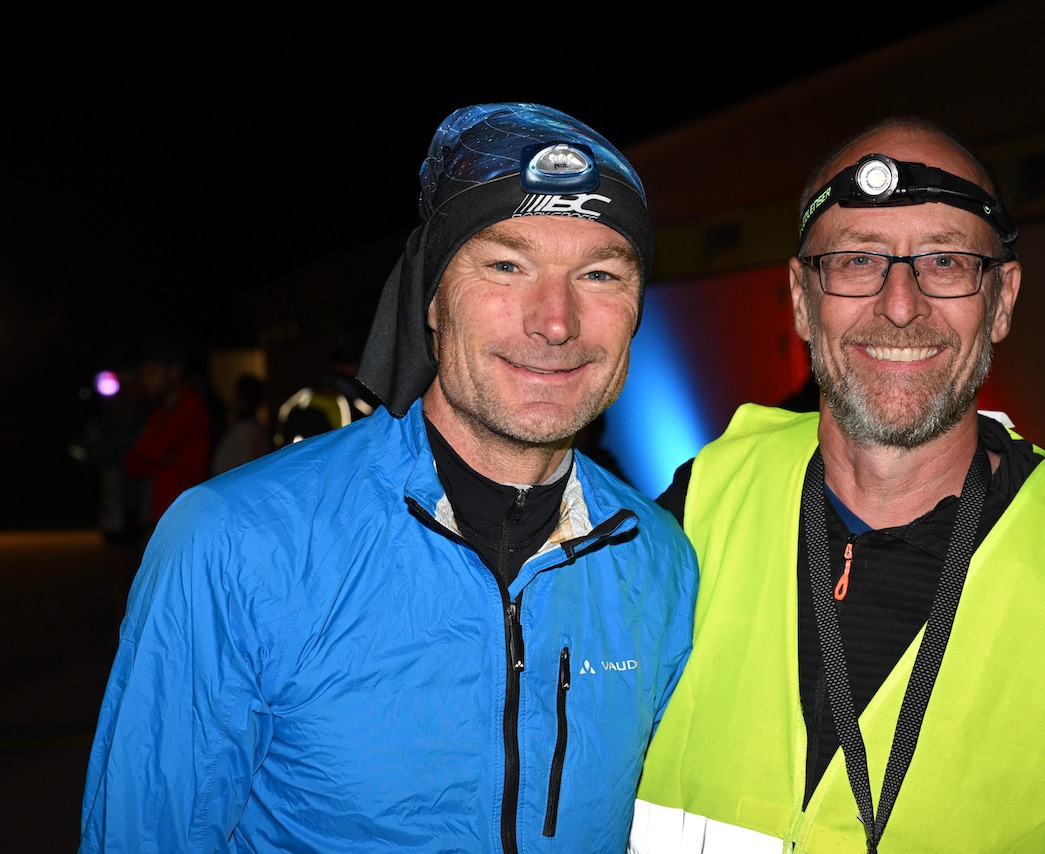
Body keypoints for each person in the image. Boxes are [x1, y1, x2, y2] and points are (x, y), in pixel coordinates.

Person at [80, 102, 699, 853]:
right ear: (432, 298)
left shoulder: (659, 558)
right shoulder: (235, 543)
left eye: (600, 274)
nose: (557, 321)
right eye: (507, 265)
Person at [630, 116, 1045, 852]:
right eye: (857, 260)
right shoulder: (701, 501)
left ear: (1001, 301)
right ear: (803, 300)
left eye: (946, 261)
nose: (900, 305)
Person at [121, 338, 213, 537]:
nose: (145, 381)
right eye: (143, 374)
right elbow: (134, 460)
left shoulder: (191, 406)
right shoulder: (161, 411)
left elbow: (150, 451)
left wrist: (148, 454)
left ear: (174, 371)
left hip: (183, 517)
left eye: (151, 373)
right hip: (162, 514)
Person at [210, 372, 273, 475]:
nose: (230, 399)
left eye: (234, 394)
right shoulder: (259, 429)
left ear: (242, 399)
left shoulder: (244, 431)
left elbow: (247, 468)